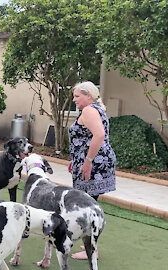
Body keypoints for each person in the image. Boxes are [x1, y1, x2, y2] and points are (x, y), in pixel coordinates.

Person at [68, 81, 116, 260]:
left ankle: (92, 250)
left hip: (94, 166)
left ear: (89, 96)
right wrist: (75, 159)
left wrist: (87, 161)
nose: (74, 100)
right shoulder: (95, 109)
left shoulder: (89, 110)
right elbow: (86, 138)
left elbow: (100, 135)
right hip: (93, 163)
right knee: (89, 205)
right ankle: (90, 244)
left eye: (77, 96)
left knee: (87, 207)